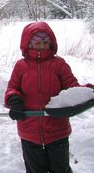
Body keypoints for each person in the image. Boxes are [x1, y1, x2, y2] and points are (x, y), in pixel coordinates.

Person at [5, 21, 93, 173]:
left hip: (57, 129)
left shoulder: (59, 64)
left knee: (61, 169)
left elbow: (72, 88)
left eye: (45, 42)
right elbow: (12, 88)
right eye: (37, 42)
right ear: (28, 44)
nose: (41, 46)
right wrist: (14, 100)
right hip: (29, 130)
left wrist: (89, 92)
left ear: (51, 43)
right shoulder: (21, 66)